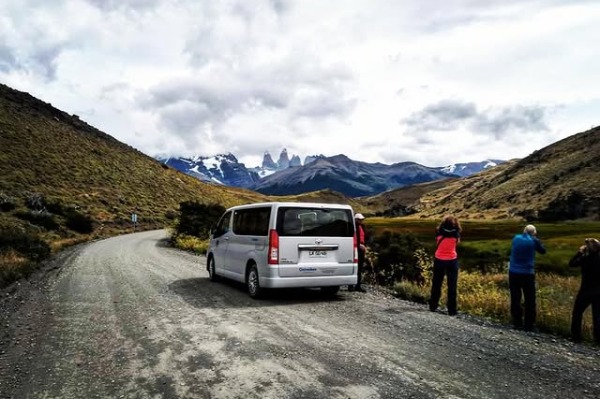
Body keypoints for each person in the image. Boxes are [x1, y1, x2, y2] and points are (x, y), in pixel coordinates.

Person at [508, 224, 546, 331]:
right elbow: (543, 251)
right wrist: (536, 239)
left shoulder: (516, 238)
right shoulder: (534, 241)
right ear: (534, 232)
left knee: (515, 297)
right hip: (527, 273)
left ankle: (517, 322)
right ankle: (529, 324)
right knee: (530, 299)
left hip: (513, 272)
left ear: (524, 231)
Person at [569, 238, 600, 344]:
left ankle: (576, 337)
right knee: (597, 316)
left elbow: (572, 263)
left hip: (585, 290)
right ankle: (597, 339)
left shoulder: (585, 259)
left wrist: (580, 252)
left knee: (577, 312)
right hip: (598, 291)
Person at [429, 215, 462, 315]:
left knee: (436, 283)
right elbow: (458, 243)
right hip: (452, 260)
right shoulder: (456, 234)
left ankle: (433, 305)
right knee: (452, 285)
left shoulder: (438, 232)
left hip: (439, 259)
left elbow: (437, 240)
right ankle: (452, 310)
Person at [349, 213, 367, 292]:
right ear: (355, 219)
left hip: (360, 249)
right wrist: (359, 244)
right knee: (356, 267)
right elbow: (352, 239)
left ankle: (357, 285)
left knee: (359, 268)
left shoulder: (360, 227)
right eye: (359, 219)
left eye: (361, 219)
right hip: (356, 249)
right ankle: (352, 285)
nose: (361, 221)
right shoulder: (353, 227)